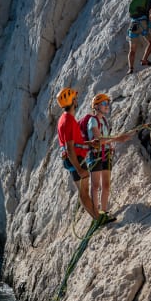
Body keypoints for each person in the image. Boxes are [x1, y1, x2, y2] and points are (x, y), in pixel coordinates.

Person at [79, 93, 131, 221]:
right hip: (95, 154)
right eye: (104, 103)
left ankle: (104, 211)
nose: (107, 106)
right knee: (96, 186)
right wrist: (118, 139)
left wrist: (114, 142)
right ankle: (97, 214)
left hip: (106, 154)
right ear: (96, 106)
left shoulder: (104, 120)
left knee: (106, 185)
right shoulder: (93, 120)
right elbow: (98, 139)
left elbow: (105, 139)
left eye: (107, 103)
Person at [56, 87, 99, 220]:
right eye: (75, 97)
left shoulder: (65, 118)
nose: (77, 99)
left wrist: (89, 143)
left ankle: (96, 217)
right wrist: (79, 169)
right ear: (72, 101)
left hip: (73, 159)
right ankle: (97, 218)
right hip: (76, 159)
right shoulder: (68, 121)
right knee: (84, 192)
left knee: (84, 191)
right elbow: (70, 148)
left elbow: (73, 143)